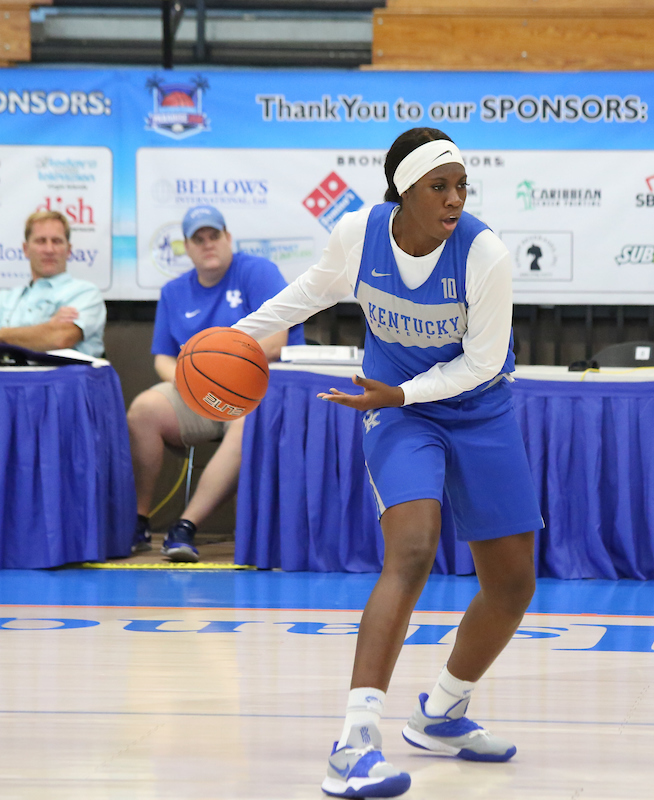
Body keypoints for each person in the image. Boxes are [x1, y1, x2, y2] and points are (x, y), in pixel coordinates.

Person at [232, 128, 543, 798]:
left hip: (476, 407)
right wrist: (234, 337)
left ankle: (442, 714)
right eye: (440, 186)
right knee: (413, 549)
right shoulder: (359, 234)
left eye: (462, 186)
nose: (455, 198)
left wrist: (401, 391)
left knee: (515, 582)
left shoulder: (484, 254)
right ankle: (355, 743)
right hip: (398, 410)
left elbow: (483, 363)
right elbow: (310, 292)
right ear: (404, 191)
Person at [127, 205, 305, 563]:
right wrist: (192, 381)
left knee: (245, 422)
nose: (208, 244)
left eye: (214, 235)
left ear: (228, 238)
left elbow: (276, 341)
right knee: (143, 410)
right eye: (198, 239)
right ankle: (139, 521)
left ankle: (185, 526)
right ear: (187, 247)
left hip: (256, 392)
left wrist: (218, 372)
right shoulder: (174, 291)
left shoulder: (258, 272)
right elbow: (163, 358)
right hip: (198, 391)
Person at [0, 210, 105, 357]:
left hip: (62, 382)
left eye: (57, 241)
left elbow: (60, 339)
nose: (49, 249)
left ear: (69, 250)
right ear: (25, 249)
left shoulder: (86, 293)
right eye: (41, 241)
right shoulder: (4, 299)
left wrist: (2, 335)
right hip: (5, 380)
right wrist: (47, 329)